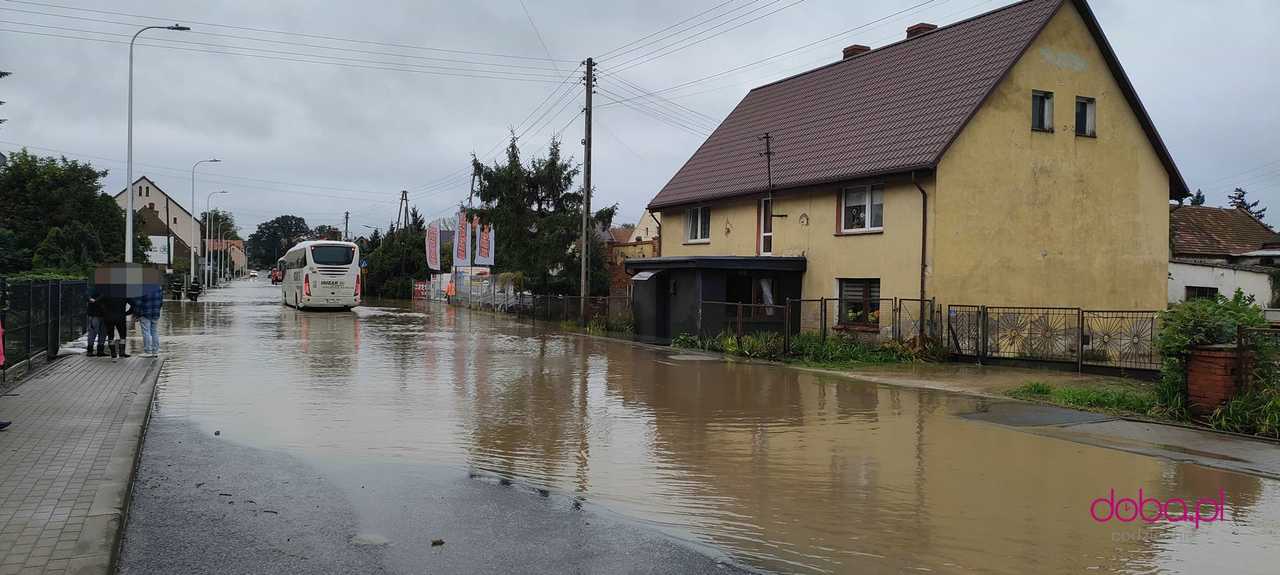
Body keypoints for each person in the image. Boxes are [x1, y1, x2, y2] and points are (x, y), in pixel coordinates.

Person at [100, 294, 132, 359]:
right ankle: (122, 352)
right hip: (121, 317)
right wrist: (127, 313)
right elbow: (133, 304)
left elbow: (99, 302)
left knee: (111, 335)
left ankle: (113, 353)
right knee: (122, 335)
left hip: (109, 317)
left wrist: (105, 312)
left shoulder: (106, 294)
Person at [136, 283, 163, 358]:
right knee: (154, 331)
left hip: (145, 313)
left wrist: (137, 314)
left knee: (146, 332)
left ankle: (147, 351)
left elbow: (138, 302)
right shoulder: (158, 287)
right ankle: (155, 351)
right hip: (155, 313)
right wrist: (157, 310)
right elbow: (161, 301)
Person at [86, 287, 107, 357]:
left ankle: (93, 350)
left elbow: (87, 296)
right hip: (97, 313)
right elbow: (87, 296)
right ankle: (95, 351)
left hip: (98, 313)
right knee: (96, 332)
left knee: (98, 332)